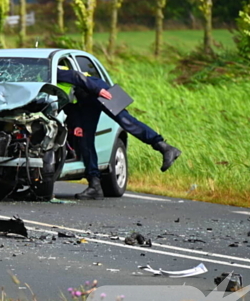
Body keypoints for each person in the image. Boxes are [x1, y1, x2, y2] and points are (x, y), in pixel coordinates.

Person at [58, 64, 181, 200]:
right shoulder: (33, 87)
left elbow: (76, 76)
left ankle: (164, 147)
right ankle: (95, 186)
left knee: (126, 121)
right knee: (85, 140)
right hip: (85, 100)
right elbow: (66, 105)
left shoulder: (49, 71)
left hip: (98, 89)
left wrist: (98, 90)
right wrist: (77, 124)